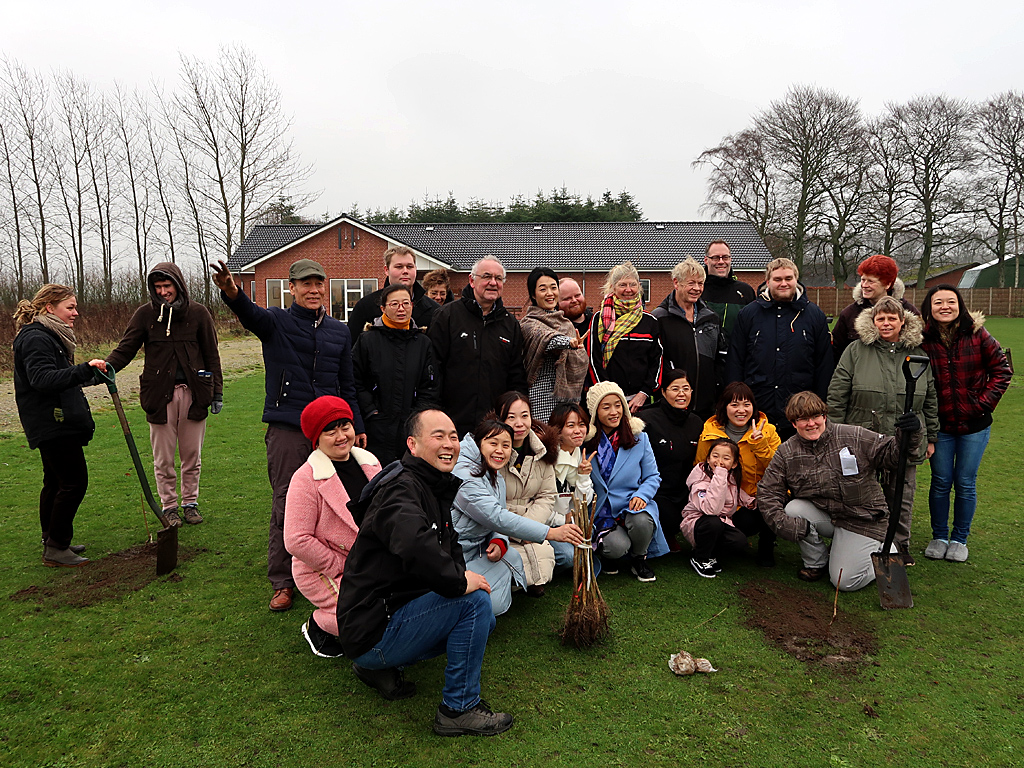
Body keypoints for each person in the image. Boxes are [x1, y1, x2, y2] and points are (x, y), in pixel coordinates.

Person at [336, 409, 514, 737]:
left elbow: (449, 547)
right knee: (473, 604)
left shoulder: (431, 483)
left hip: (385, 617)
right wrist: (461, 582)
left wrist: (461, 576)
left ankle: (382, 667)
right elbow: (414, 544)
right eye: (438, 436)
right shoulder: (400, 489)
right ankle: (458, 708)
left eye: (454, 437)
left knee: (483, 614)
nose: (449, 444)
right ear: (413, 445)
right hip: (372, 627)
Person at [212, 257, 364, 613]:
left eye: (318, 284)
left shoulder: (339, 331)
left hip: (330, 431)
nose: (313, 290)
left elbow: (347, 384)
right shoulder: (276, 322)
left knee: (339, 499)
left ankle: (340, 563)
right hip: (288, 426)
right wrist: (232, 291)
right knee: (286, 501)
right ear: (292, 288)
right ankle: (282, 581)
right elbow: (250, 313)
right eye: (305, 284)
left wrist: (355, 425)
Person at [756, 392, 919, 591]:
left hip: (863, 519)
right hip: (829, 516)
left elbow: (892, 454)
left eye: (816, 417)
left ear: (824, 416)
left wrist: (908, 434)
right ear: (793, 423)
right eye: (803, 419)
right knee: (793, 509)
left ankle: (887, 551)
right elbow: (767, 493)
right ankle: (817, 562)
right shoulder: (787, 453)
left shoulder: (853, 436)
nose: (811, 424)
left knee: (845, 582)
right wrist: (785, 526)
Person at [105, 262, 223, 527]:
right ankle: (169, 507)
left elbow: (212, 356)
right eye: (157, 287)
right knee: (163, 459)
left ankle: (190, 504)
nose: (162, 292)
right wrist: (107, 366)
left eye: (166, 286)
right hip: (159, 397)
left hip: (195, 395)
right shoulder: (145, 315)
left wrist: (217, 393)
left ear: (178, 285)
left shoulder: (199, 314)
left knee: (192, 456)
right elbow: (125, 349)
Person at [827, 296, 938, 564]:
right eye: (881, 318)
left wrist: (931, 437)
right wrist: (834, 434)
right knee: (858, 491)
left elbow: (931, 399)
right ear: (873, 321)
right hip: (862, 435)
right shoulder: (856, 350)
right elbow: (837, 394)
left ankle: (899, 544)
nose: (886, 323)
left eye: (892, 318)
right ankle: (859, 539)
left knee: (901, 492)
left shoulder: (918, 355)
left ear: (902, 321)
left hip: (905, 437)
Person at [12, 284, 109, 567]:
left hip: (55, 419)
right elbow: (42, 379)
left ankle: (52, 538)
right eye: (70, 307)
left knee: (54, 482)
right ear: (49, 308)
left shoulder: (48, 336)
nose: (76, 313)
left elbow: (59, 376)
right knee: (73, 481)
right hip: (52, 421)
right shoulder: (36, 338)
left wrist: (89, 376)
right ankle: (56, 546)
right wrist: (83, 369)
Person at [451, 419, 585, 615]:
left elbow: (500, 517)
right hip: (455, 556)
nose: (500, 450)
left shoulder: (495, 475)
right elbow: (496, 516)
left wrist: (499, 539)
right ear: (479, 443)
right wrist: (551, 533)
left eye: (506, 445)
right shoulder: (465, 475)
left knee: (510, 561)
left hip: (482, 550)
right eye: (493, 443)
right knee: (486, 608)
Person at [919, 284, 1012, 563]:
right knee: (941, 481)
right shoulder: (923, 340)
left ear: (960, 305)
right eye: (938, 302)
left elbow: (1002, 370)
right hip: (941, 426)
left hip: (975, 425)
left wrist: (981, 403)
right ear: (930, 308)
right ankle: (939, 536)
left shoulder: (978, 335)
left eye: (950, 301)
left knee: (965, 482)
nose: (944, 307)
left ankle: (960, 538)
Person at [284, 397, 381, 658]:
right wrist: (341, 565)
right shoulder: (305, 478)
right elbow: (295, 540)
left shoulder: (370, 463)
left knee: (393, 606)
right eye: (330, 430)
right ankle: (319, 625)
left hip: (370, 563)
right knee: (367, 621)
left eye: (345, 426)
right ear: (316, 438)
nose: (341, 436)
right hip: (323, 569)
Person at [726, 258, 832, 439]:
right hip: (759, 407)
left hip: (800, 412)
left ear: (796, 280)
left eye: (788, 278)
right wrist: (737, 402)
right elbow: (736, 360)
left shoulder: (814, 315)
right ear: (768, 282)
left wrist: (818, 406)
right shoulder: (749, 314)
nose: (783, 283)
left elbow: (824, 365)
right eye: (777, 279)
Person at [427, 257, 528, 436]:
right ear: (472, 280)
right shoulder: (447, 316)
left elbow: (516, 376)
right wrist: (434, 413)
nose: (493, 283)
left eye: (498, 278)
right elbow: (433, 370)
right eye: (486, 276)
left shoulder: (510, 324)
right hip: (451, 424)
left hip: (494, 428)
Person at [583, 381, 670, 582]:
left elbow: (652, 476)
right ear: (595, 412)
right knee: (615, 547)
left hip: (631, 503)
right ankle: (611, 554)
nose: (614, 412)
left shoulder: (640, 438)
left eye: (618, 405)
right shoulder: (586, 443)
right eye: (606, 407)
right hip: (600, 510)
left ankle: (639, 557)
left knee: (642, 520)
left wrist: (642, 495)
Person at [352, 283, 439, 465]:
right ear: (383, 308)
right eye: (394, 304)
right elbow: (354, 380)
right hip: (375, 428)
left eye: (406, 303)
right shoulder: (367, 340)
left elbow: (430, 386)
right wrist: (371, 410)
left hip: (409, 428)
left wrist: (416, 417)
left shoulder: (423, 343)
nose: (401, 309)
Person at [495, 391, 565, 596]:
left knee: (568, 556)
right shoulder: (492, 451)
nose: (519, 423)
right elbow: (488, 503)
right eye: (511, 417)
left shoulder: (543, 451)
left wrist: (529, 527)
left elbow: (547, 495)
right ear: (500, 420)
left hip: (533, 522)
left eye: (524, 416)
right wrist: (519, 529)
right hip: (501, 525)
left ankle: (533, 579)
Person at [586, 261, 663, 415]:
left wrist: (644, 393)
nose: (628, 290)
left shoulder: (650, 321)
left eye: (632, 285)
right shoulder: (599, 319)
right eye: (622, 285)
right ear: (613, 287)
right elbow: (593, 359)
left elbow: (657, 361)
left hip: (642, 402)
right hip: (608, 401)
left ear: (639, 287)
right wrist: (608, 394)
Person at [639, 369, 703, 549]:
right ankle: (662, 532)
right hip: (656, 491)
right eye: (675, 389)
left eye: (686, 388)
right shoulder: (647, 419)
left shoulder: (697, 422)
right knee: (671, 519)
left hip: (685, 491)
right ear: (663, 392)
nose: (681, 394)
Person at [681, 439, 764, 578]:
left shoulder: (730, 478)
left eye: (726, 458)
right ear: (708, 459)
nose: (719, 461)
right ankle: (700, 557)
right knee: (713, 522)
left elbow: (735, 493)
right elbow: (711, 509)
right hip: (698, 523)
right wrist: (720, 474)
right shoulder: (700, 479)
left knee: (739, 541)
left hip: (722, 522)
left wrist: (750, 501)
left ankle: (712, 553)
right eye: (715, 456)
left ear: (734, 463)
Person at [652, 258, 723, 419]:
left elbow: (719, 359)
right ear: (676, 283)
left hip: (707, 406)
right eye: (691, 283)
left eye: (700, 283)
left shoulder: (711, 318)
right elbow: (655, 361)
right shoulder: (660, 318)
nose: (697, 288)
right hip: (672, 406)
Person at [519, 267, 589, 423]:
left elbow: (580, 360)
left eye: (553, 287)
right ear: (533, 294)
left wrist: (577, 349)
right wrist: (569, 343)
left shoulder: (566, 323)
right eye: (543, 289)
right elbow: (547, 338)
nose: (550, 293)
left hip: (567, 399)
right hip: (540, 398)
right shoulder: (529, 323)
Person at [831, 254, 919, 363]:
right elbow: (835, 352)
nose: (864, 285)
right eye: (863, 280)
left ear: (887, 284)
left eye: (871, 281)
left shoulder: (910, 313)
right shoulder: (849, 314)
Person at [347, 245, 440, 344]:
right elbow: (352, 346)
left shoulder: (434, 311)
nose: (405, 271)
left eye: (409, 267)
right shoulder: (366, 306)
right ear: (386, 270)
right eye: (399, 267)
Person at [701, 240, 755, 349]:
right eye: (715, 258)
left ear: (730, 259)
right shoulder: (696, 290)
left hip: (735, 361)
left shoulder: (745, 292)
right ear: (706, 260)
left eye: (725, 257)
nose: (721, 262)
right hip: (702, 360)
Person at [548, 403, 596, 517]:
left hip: (573, 524)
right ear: (557, 429)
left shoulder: (580, 456)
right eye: (571, 425)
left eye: (581, 424)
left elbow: (583, 503)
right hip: (546, 526)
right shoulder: (547, 457)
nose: (578, 431)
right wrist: (561, 520)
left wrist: (584, 476)